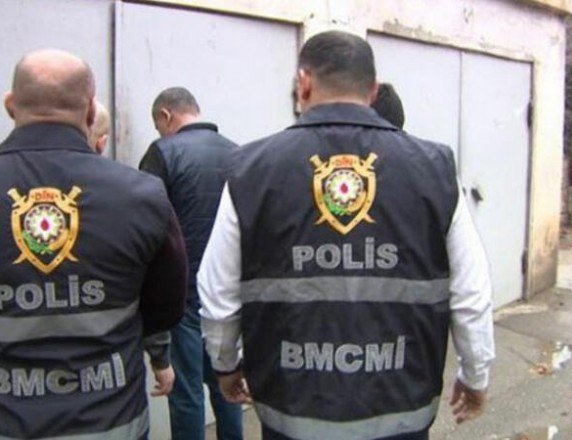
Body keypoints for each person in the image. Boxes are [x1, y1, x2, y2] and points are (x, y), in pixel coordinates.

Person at [198, 30, 495, 440]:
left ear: (303, 83)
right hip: (400, 413)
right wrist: (475, 375)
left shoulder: (250, 168)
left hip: (292, 415)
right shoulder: (435, 167)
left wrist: (226, 365)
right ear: (373, 90)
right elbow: (471, 292)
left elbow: (217, 292)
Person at [0, 49, 187, 439]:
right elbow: (165, 309)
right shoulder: (142, 195)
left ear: (10, 105)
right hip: (110, 421)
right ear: (89, 111)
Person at [139, 87, 243, 440]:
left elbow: (146, 227)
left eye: (158, 125)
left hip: (180, 295)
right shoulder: (237, 153)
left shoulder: (163, 153)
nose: (160, 133)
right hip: (225, 293)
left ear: (166, 116)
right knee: (228, 386)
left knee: (186, 395)